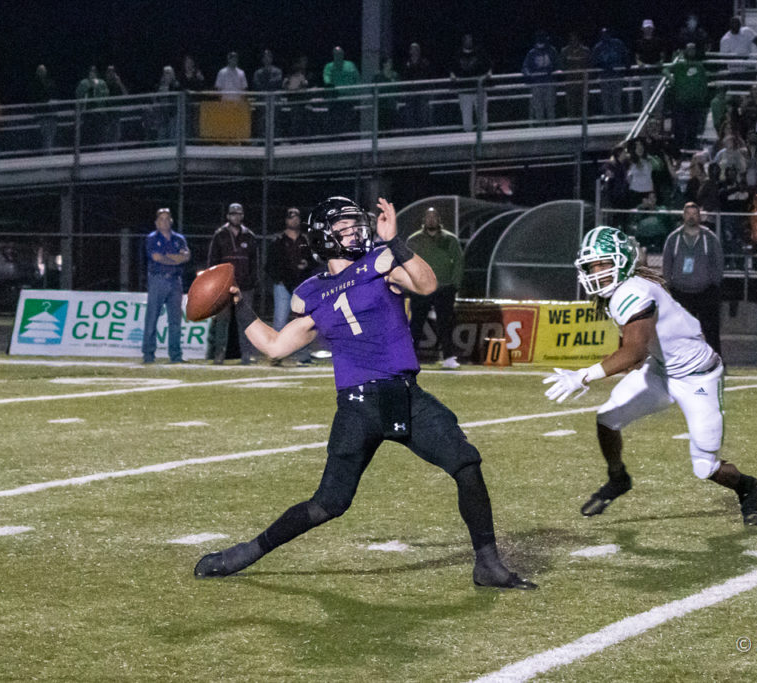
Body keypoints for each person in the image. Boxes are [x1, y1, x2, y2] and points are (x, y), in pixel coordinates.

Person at [193, 196, 535, 590]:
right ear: (323, 237)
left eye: (356, 224)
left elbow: (427, 284)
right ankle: (244, 553)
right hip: (357, 407)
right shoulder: (313, 292)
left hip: (404, 395)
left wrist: (395, 242)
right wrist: (239, 303)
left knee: (466, 464)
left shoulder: (381, 262)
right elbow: (273, 345)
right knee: (328, 504)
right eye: (344, 227)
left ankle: (488, 564)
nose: (356, 232)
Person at [543, 227, 757, 525]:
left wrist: (584, 375)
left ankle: (748, 487)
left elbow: (634, 351)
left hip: (698, 378)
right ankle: (618, 478)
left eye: (603, 264)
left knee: (705, 466)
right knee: (607, 418)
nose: (597, 273)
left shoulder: (632, 291)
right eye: (592, 266)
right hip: (661, 370)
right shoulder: (625, 289)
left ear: (622, 261)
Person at [662, 203, 724, 354]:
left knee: (711, 332)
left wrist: (713, 283)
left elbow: (718, 261)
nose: (691, 217)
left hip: (705, 292)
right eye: (688, 213)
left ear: (699, 216)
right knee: (678, 332)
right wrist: (669, 284)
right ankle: (678, 361)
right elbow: (667, 262)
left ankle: (716, 361)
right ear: (683, 216)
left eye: (694, 214)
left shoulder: (710, 238)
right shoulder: (673, 238)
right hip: (680, 292)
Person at [407, 207, 464, 368]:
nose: (431, 220)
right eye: (428, 217)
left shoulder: (450, 239)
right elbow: (406, 263)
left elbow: (458, 262)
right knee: (416, 323)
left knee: (445, 323)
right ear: (424, 220)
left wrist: (455, 285)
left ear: (439, 220)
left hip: (444, 287)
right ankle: (409, 358)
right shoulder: (414, 239)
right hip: (421, 288)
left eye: (434, 217)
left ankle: (449, 358)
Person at [207, 203, 259, 364]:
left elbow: (254, 262)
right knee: (222, 321)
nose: (236, 216)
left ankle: (246, 355)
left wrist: (252, 281)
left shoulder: (249, 235)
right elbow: (213, 261)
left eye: (239, 214)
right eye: (233, 214)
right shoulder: (220, 235)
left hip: (244, 287)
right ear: (228, 216)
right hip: (225, 286)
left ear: (242, 216)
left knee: (245, 321)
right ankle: (219, 355)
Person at [142, 208, 190, 364]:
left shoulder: (179, 239)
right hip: (158, 280)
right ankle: (148, 354)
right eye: (161, 219)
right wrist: (175, 259)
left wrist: (167, 258)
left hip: (175, 281)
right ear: (156, 222)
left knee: (175, 320)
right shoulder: (152, 238)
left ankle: (175, 355)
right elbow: (156, 257)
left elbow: (186, 256)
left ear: (171, 221)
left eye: (167, 218)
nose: (164, 222)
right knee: (152, 317)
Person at [265, 206, 315, 334]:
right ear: (286, 220)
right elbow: (269, 264)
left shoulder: (306, 240)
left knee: (303, 322)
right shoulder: (278, 240)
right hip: (283, 286)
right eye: (291, 217)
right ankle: (278, 346)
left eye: (297, 217)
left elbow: (314, 261)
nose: (294, 220)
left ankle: (301, 347)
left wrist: (307, 264)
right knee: (280, 322)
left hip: (302, 285)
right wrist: (278, 279)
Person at [665, 43, 708, 150]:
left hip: (695, 102)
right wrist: (670, 77)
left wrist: (702, 98)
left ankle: (690, 149)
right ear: (685, 51)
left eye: (693, 49)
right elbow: (665, 70)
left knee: (693, 128)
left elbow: (704, 84)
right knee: (679, 126)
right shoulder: (679, 65)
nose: (691, 51)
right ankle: (678, 150)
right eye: (689, 49)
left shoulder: (699, 66)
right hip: (680, 102)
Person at [451, 34, 492, 131]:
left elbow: (489, 65)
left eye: (470, 39)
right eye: (466, 40)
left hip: (480, 89)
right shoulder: (458, 54)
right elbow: (452, 68)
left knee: (482, 118)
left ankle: (483, 138)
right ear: (463, 41)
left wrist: (489, 73)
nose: (468, 41)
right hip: (464, 91)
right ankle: (468, 138)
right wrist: (452, 75)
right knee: (466, 120)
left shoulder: (480, 52)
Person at [523, 30, 560, 123]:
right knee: (538, 108)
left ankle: (552, 127)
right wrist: (528, 74)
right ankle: (540, 128)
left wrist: (555, 72)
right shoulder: (532, 53)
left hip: (550, 83)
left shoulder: (552, 51)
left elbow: (558, 65)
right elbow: (525, 66)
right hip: (537, 83)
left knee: (550, 106)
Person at [591, 28, 629, 117]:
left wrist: (626, 66)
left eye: (607, 33)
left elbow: (625, 55)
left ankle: (617, 116)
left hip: (617, 74)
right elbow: (594, 61)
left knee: (617, 96)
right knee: (606, 97)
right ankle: (607, 117)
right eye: (603, 34)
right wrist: (602, 67)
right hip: (604, 75)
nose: (605, 36)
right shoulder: (598, 47)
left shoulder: (618, 43)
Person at [559, 31, 590, 120]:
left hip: (582, 82)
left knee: (583, 103)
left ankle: (584, 121)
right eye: (572, 39)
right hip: (570, 82)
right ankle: (572, 121)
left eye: (575, 39)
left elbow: (589, 64)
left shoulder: (585, 50)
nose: (574, 41)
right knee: (571, 103)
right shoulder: (564, 51)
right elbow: (561, 65)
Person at [636, 20, 665, 110]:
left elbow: (662, 55)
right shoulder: (639, 42)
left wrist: (661, 62)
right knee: (646, 97)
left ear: (652, 29)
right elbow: (637, 57)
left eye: (649, 28)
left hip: (657, 72)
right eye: (646, 28)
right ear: (643, 29)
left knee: (659, 96)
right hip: (645, 73)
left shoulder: (658, 41)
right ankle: (647, 116)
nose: (648, 30)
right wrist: (640, 63)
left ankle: (658, 115)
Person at [30, 65, 58, 152]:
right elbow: (35, 98)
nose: (42, 72)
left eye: (43, 71)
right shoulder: (35, 85)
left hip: (52, 113)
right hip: (42, 114)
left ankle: (49, 152)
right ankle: (46, 153)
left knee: (51, 135)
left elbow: (54, 94)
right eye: (40, 71)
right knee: (44, 135)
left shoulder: (50, 82)